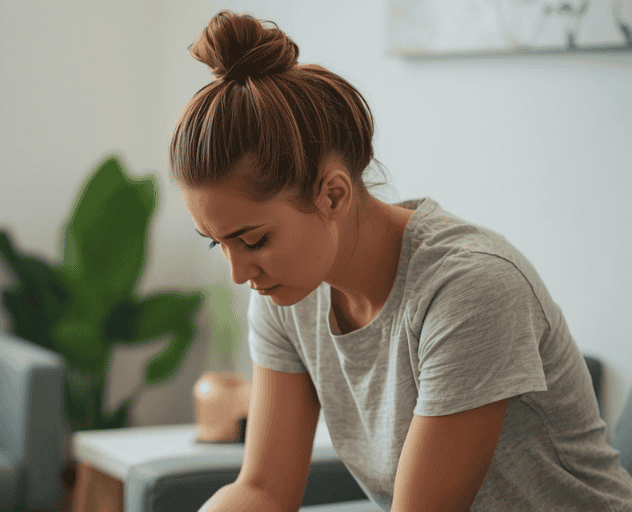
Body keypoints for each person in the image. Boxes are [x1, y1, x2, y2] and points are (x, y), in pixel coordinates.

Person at [169, 10, 632, 512]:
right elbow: (262, 490)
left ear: (333, 195)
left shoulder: (469, 289)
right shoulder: (286, 297)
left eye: (254, 240)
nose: (239, 274)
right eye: (219, 244)